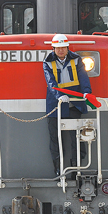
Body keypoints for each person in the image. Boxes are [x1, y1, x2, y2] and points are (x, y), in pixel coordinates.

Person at [43, 34, 92, 177]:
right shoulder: (47, 62)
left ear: (67, 47)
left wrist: (86, 94)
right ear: (53, 48)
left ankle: (76, 169)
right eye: (58, 48)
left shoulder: (76, 60)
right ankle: (58, 169)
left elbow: (84, 78)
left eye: (63, 47)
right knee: (55, 139)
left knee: (77, 138)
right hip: (55, 105)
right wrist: (59, 96)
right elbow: (50, 83)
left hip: (74, 104)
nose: (61, 50)